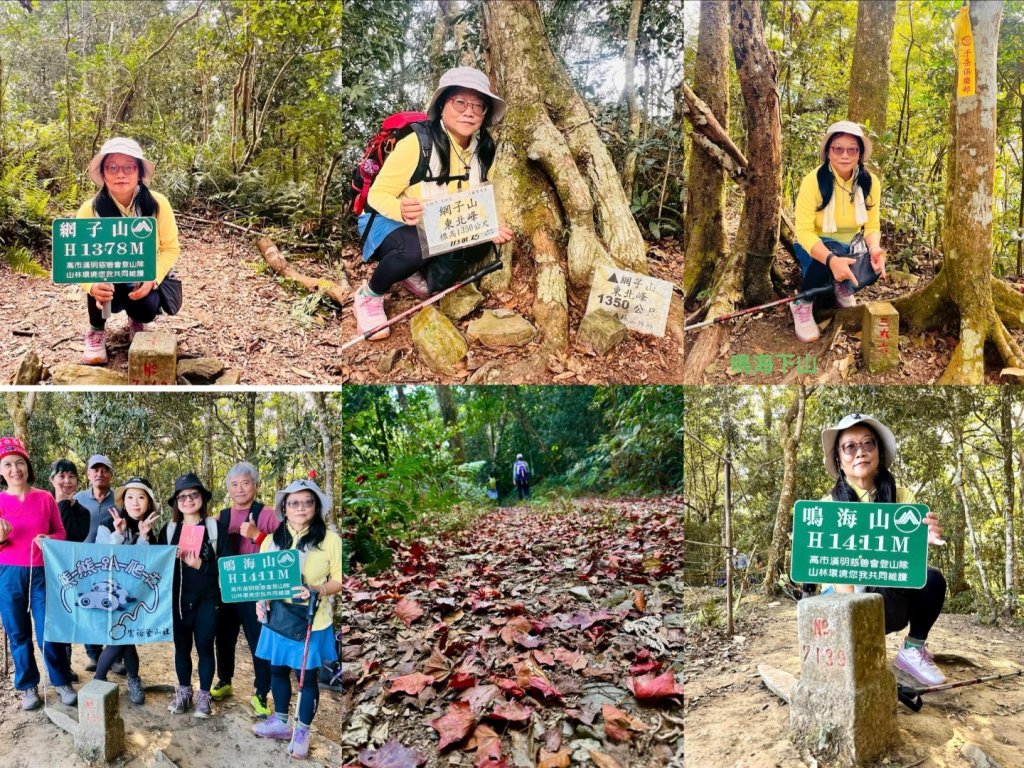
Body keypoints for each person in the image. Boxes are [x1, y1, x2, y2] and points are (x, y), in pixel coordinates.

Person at [353, 66, 514, 339]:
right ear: (442, 105)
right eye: (460, 101)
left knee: (477, 244)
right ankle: (369, 295)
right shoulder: (418, 143)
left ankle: (409, 272)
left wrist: (489, 227)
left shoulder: (483, 148)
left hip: (436, 223)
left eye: (479, 105)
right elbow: (378, 194)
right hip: (386, 219)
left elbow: (473, 201)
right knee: (413, 250)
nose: (470, 111)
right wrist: (400, 210)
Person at [817, 414, 947, 686]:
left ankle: (912, 650)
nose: (860, 452)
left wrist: (923, 538)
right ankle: (855, 648)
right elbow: (836, 573)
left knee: (933, 579)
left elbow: (908, 565)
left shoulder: (902, 498)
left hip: (889, 595)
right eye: (850, 447)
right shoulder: (827, 506)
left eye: (868, 444)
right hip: (842, 600)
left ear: (879, 451)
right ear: (839, 458)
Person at [252, 478, 342, 761]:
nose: (300, 508)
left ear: (316, 507)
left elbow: (339, 580)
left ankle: (302, 730)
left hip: (312, 620)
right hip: (278, 618)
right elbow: (262, 579)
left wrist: (318, 589)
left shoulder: (330, 540)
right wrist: (260, 602)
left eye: (307, 502)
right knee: (277, 670)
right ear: (284, 508)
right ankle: (280, 721)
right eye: (294, 503)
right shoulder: (271, 540)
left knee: (308, 678)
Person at [77, 136, 182, 365]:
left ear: (139, 173)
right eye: (112, 167)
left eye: (128, 167)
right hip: (108, 281)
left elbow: (170, 249)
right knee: (95, 273)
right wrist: (92, 286)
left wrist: (152, 278)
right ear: (103, 173)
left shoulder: (157, 204)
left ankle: (137, 321)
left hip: (140, 279)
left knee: (146, 308)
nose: (120, 174)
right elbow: (78, 259)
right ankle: (96, 331)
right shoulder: (90, 210)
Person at [790, 122, 888, 342]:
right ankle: (802, 303)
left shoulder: (870, 183)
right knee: (824, 262)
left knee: (874, 266)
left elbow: (871, 226)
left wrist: (873, 248)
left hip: (851, 245)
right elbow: (804, 231)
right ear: (828, 151)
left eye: (852, 149)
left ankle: (842, 286)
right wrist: (832, 260)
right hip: (816, 244)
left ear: (860, 154)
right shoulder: (813, 181)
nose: (845, 155)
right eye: (838, 149)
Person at [0, 437, 78, 710]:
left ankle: (60, 681)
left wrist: (48, 538)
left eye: (19, 462)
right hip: (8, 574)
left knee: (48, 629)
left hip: (42, 572)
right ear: (1, 471)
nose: (15, 469)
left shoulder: (44, 498)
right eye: (7, 464)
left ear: (27, 465)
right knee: (17, 631)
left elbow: (60, 531)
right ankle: (28, 686)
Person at [157, 473, 230, 718]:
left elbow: (228, 566)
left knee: (205, 647)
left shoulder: (214, 528)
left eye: (193, 495)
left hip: (209, 601)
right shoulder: (169, 531)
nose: (188, 500)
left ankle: (204, 697)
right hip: (178, 602)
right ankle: (184, 692)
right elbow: (155, 565)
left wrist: (201, 564)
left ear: (202, 498)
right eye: (182, 497)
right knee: (181, 648)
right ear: (176, 502)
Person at [211, 462, 280, 716]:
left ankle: (261, 693)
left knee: (259, 641)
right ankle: (225, 680)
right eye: (234, 484)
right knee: (224, 637)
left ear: (256, 485)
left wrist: (258, 535)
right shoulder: (223, 516)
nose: (240, 489)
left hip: (257, 591)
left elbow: (288, 542)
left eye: (245, 483)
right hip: (228, 589)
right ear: (228, 488)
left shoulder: (267, 514)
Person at [93, 477, 158, 705]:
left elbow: (145, 567)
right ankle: (99, 682)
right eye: (130, 497)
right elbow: (101, 559)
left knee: (127, 638)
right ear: (123, 500)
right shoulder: (108, 522)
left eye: (141, 497)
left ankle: (131, 679)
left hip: (134, 596)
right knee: (120, 639)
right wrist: (119, 534)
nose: (135, 502)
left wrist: (143, 537)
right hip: (108, 594)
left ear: (149, 502)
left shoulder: (150, 531)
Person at [74, 453, 117, 671]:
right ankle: (94, 655)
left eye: (104, 470)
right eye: (95, 470)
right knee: (89, 607)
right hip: (85, 564)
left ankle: (115, 656)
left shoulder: (120, 498)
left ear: (111, 474)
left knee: (114, 605)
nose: (100, 474)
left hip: (114, 564)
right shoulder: (78, 498)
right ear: (89, 474)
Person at [49, 458, 89, 681]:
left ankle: (67, 665)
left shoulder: (83, 512)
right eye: (61, 476)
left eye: (71, 476)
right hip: (45, 572)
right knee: (52, 620)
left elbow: (72, 535)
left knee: (67, 617)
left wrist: (63, 503)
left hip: (71, 572)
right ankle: (59, 669)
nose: (66, 481)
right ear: (52, 480)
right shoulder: (42, 505)